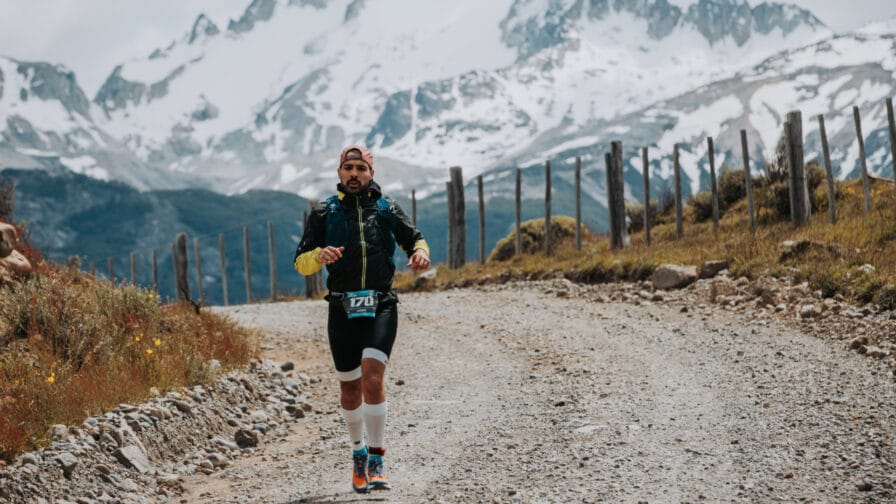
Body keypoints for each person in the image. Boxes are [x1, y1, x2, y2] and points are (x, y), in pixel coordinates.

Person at [293, 145, 430, 493]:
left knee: (372, 378)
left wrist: (419, 254)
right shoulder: (325, 212)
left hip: (382, 303)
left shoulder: (386, 208)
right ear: (339, 174)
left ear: (371, 174)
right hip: (341, 308)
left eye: (361, 169)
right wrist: (318, 255)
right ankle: (358, 453)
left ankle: (377, 458)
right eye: (348, 168)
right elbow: (300, 262)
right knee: (350, 388)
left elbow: (415, 238)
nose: (354, 174)